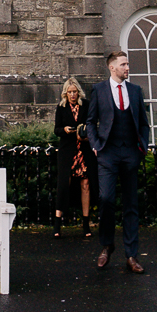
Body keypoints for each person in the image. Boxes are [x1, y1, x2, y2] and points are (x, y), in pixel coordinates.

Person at [81, 48, 151, 273]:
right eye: (123, 65)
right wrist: (95, 144)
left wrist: (143, 148)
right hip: (107, 153)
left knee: (131, 205)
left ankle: (131, 255)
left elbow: (143, 123)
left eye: (128, 65)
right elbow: (90, 122)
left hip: (131, 153)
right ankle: (107, 245)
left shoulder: (135, 90)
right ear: (112, 67)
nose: (127, 68)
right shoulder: (99, 90)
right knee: (106, 199)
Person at [52, 77, 92, 238]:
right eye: (69, 92)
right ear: (65, 93)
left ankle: (86, 225)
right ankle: (57, 225)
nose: (72, 95)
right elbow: (56, 130)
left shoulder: (86, 105)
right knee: (63, 185)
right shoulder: (61, 108)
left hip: (83, 150)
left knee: (86, 184)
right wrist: (66, 130)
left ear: (79, 92)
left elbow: (92, 124)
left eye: (74, 92)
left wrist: (85, 133)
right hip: (67, 150)